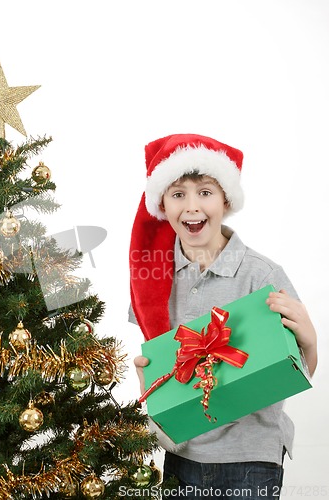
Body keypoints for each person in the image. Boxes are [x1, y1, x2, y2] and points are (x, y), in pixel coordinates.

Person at [129, 134, 317, 500]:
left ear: (226, 200)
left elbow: (300, 369)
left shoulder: (260, 275)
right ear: (162, 205)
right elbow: (155, 357)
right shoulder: (151, 277)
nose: (192, 206)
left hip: (251, 455)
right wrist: (147, 378)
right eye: (178, 194)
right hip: (181, 449)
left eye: (205, 192)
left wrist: (310, 338)